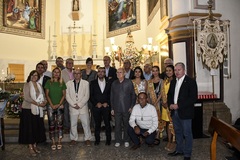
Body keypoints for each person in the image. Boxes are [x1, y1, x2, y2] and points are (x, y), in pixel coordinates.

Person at [167, 62, 198, 160]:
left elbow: (193, 98)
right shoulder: (173, 81)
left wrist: (178, 105)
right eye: (175, 70)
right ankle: (179, 150)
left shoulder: (190, 81)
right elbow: (169, 95)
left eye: (179, 70)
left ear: (184, 70)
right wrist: (170, 104)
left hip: (185, 112)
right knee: (178, 132)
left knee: (187, 133)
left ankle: (187, 154)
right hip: (174, 112)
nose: (176, 72)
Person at [19, 70, 47, 156]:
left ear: (38, 77)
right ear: (30, 76)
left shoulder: (39, 85)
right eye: (33, 75)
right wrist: (38, 103)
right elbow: (27, 97)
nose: (34, 77)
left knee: (36, 128)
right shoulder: (27, 85)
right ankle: (30, 147)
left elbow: (43, 95)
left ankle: (35, 145)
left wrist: (44, 102)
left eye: (36, 75)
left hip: (38, 110)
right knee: (29, 129)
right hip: (28, 109)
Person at [111, 68, 136, 148]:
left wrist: (132, 106)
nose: (119, 74)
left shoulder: (129, 82)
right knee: (117, 125)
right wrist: (112, 108)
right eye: (117, 72)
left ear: (124, 73)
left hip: (127, 108)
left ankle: (126, 140)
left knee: (126, 125)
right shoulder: (114, 83)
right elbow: (111, 96)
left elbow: (133, 95)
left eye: (120, 72)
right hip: (117, 108)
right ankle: (118, 140)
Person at [66, 69, 92, 146]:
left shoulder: (86, 83)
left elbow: (86, 96)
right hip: (73, 107)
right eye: (75, 73)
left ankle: (87, 138)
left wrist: (80, 104)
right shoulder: (68, 84)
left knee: (86, 123)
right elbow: (67, 95)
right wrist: (73, 105)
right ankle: (73, 139)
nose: (76, 75)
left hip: (83, 107)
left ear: (81, 74)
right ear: (73, 74)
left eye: (78, 73)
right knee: (73, 124)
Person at [45, 67, 66, 151]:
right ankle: (53, 141)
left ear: (60, 74)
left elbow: (64, 95)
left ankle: (59, 141)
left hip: (59, 105)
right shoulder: (48, 82)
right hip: (50, 106)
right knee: (51, 124)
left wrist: (59, 104)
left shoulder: (62, 83)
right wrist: (52, 105)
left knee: (60, 124)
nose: (56, 74)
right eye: (55, 72)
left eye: (58, 72)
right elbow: (47, 95)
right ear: (52, 73)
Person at [90, 67, 113, 146]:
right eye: (99, 71)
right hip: (97, 107)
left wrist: (108, 103)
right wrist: (96, 103)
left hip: (106, 107)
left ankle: (108, 140)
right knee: (97, 124)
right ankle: (97, 140)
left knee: (107, 124)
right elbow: (91, 96)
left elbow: (111, 95)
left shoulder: (109, 82)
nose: (101, 73)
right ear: (97, 73)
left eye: (102, 72)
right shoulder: (93, 83)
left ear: (104, 73)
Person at [160, 65, 176, 151]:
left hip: (171, 105)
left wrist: (168, 103)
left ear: (173, 71)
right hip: (164, 105)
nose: (168, 72)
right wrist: (163, 101)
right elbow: (163, 93)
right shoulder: (165, 81)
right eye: (166, 70)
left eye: (170, 70)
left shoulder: (175, 81)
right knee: (167, 124)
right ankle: (169, 141)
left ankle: (173, 142)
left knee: (172, 124)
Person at [147, 66, 163, 145]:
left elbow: (161, 93)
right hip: (150, 103)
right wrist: (150, 102)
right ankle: (152, 135)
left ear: (159, 71)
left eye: (156, 70)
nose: (155, 72)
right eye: (153, 71)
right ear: (151, 72)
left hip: (159, 103)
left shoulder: (162, 81)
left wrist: (156, 102)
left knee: (158, 119)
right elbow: (147, 93)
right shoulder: (149, 82)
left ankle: (157, 136)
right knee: (152, 119)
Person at [81, 57, 97, 130]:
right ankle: (85, 125)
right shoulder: (82, 72)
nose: (89, 64)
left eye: (90, 63)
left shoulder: (95, 73)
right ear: (86, 63)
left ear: (92, 64)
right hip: (83, 93)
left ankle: (92, 125)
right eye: (88, 63)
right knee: (84, 111)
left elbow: (96, 83)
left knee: (92, 110)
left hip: (92, 94)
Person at [61, 58, 74, 133]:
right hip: (65, 94)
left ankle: (73, 125)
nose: (70, 64)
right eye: (68, 63)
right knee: (66, 111)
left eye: (71, 63)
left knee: (72, 111)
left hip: (73, 94)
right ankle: (66, 126)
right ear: (66, 64)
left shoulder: (75, 72)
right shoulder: (62, 72)